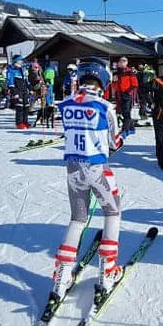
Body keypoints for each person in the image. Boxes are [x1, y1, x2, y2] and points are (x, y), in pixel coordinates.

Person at [51, 57, 125, 304]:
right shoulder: (105, 106)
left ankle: (61, 275)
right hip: (97, 168)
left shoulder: (66, 103)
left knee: (77, 218)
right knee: (112, 214)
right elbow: (115, 142)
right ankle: (107, 271)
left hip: (73, 168)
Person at [115, 56, 138, 135]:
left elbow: (135, 84)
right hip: (119, 95)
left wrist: (128, 92)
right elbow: (116, 84)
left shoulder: (130, 72)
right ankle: (131, 128)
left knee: (126, 112)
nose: (122, 63)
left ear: (127, 62)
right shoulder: (118, 72)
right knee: (123, 112)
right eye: (121, 61)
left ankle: (125, 130)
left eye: (124, 61)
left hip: (127, 95)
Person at [7, 56, 30, 129]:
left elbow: (26, 81)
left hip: (24, 90)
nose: (22, 61)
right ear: (16, 61)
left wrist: (31, 89)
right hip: (17, 90)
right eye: (20, 60)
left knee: (26, 107)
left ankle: (25, 122)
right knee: (19, 107)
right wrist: (14, 92)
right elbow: (10, 82)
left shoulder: (23, 69)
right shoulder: (12, 70)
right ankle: (19, 123)